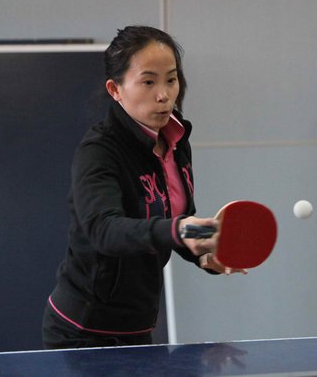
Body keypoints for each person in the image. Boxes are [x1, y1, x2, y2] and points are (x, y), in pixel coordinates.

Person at [42, 25, 241, 349]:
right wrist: (182, 230)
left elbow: (176, 218)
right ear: (115, 89)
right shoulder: (99, 151)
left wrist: (206, 253)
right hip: (81, 331)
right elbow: (104, 229)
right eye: (148, 82)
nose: (163, 95)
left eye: (171, 80)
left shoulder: (176, 141)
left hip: (138, 325)